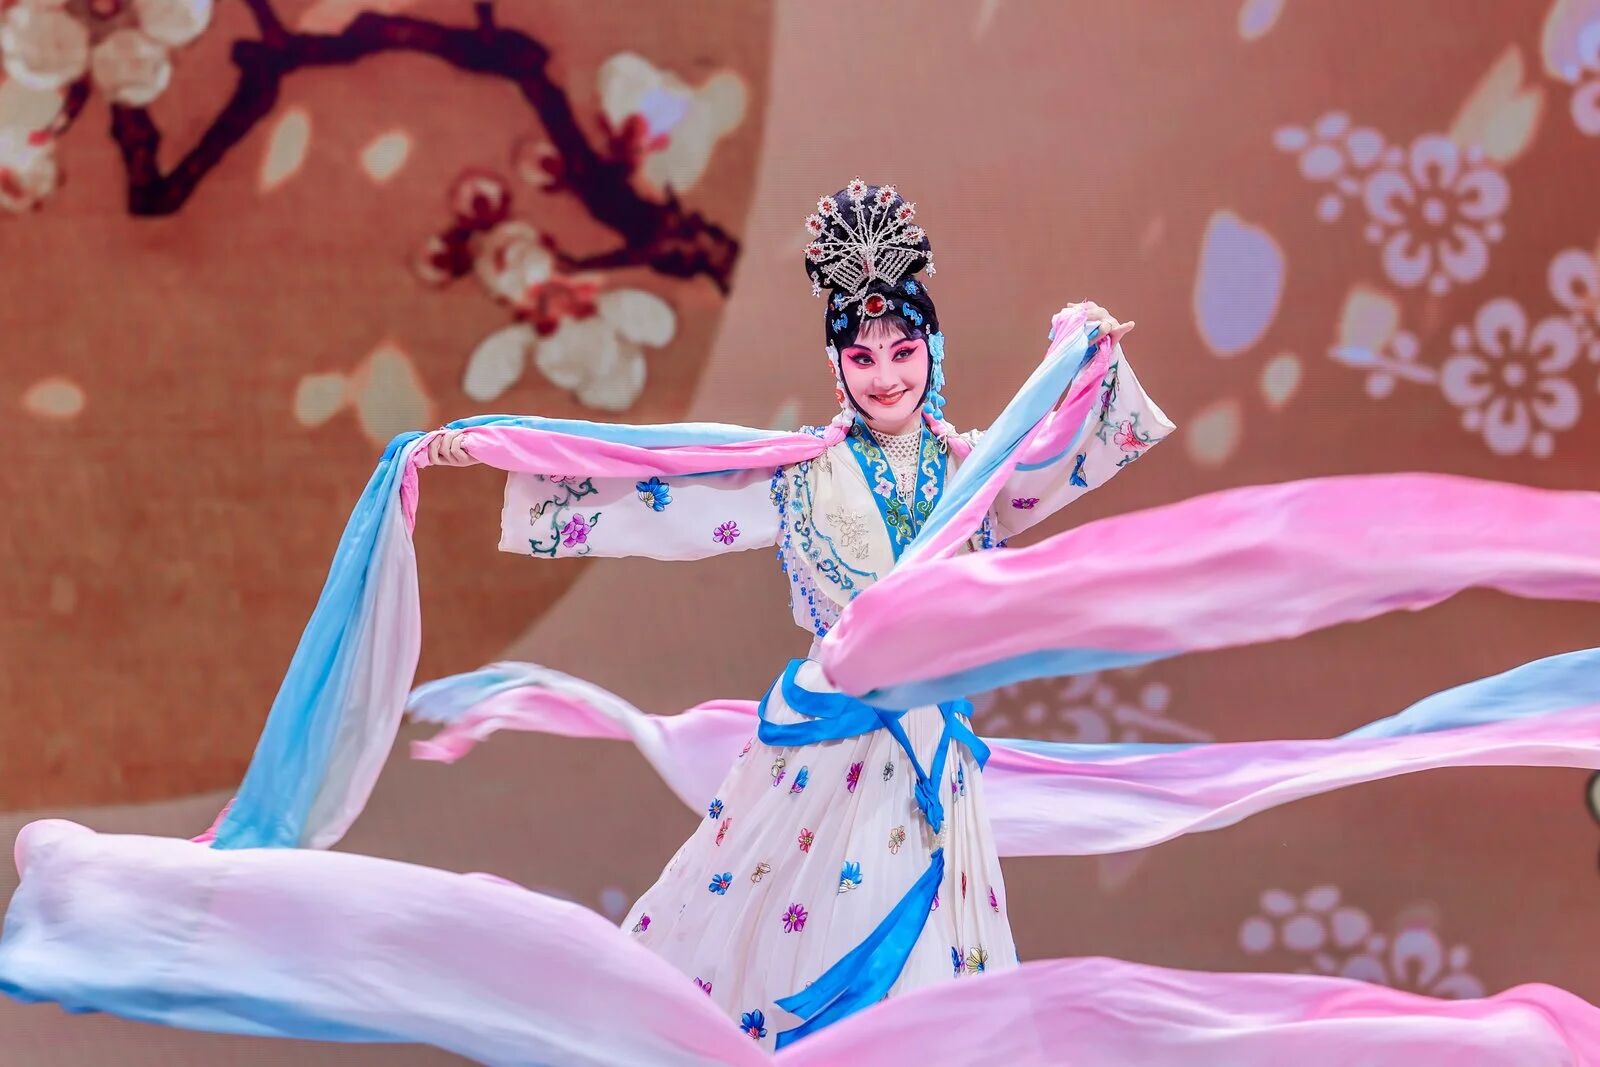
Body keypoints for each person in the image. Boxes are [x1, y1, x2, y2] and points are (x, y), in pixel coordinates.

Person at [423, 179, 1167, 1048]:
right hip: (826, 761)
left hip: (934, 764)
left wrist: (1083, 350)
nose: (886, 377)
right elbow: (666, 484)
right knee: (773, 970)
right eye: (862, 357)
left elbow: (1055, 451)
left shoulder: (975, 474)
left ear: (932, 348)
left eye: (903, 350)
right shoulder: (802, 474)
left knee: (940, 990)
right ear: (835, 365)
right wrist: (493, 449)